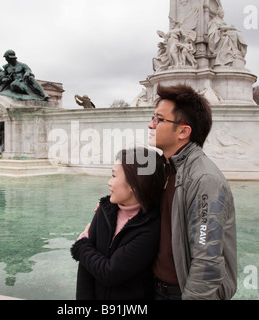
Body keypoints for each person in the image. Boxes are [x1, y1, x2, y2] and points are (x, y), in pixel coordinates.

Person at [147, 84, 237, 300]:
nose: (151, 124)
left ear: (183, 131)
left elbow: (207, 261)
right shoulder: (165, 168)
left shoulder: (205, 180)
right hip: (158, 288)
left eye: (159, 119)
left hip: (182, 293)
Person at [71, 147, 166, 300]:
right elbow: (85, 271)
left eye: (114, 176)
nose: (109, 182)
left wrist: (81, 245)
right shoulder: (105, 209)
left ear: (135, 185)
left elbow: (110, 273)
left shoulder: (150, 227)